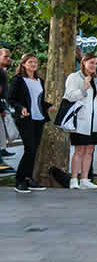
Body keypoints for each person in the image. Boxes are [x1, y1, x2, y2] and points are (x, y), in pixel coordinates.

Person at [8, 54, 51, 193]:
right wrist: (21, 108)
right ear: (24, 64)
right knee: (29, 149)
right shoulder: (19, 80)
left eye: (35, 62)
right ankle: (20, 180)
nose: (33, 64)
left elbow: (38, 101)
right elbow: (11, 98)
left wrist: (48, 106)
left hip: (39, 119)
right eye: (30, 62)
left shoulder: (40, 80)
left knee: (34, 151)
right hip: (25, 118)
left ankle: (28, 179)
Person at [64, 53, 97, 190]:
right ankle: (74, 179)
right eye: (91, 62)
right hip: (80, 120)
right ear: (84, 62)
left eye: (95, 63)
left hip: (94, 120)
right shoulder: (74, 77)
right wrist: (84, 88)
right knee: (79, 150)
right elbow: (70, 96)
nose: (94, 65)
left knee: (90, 150)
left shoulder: (95, 78)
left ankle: (84, 178)